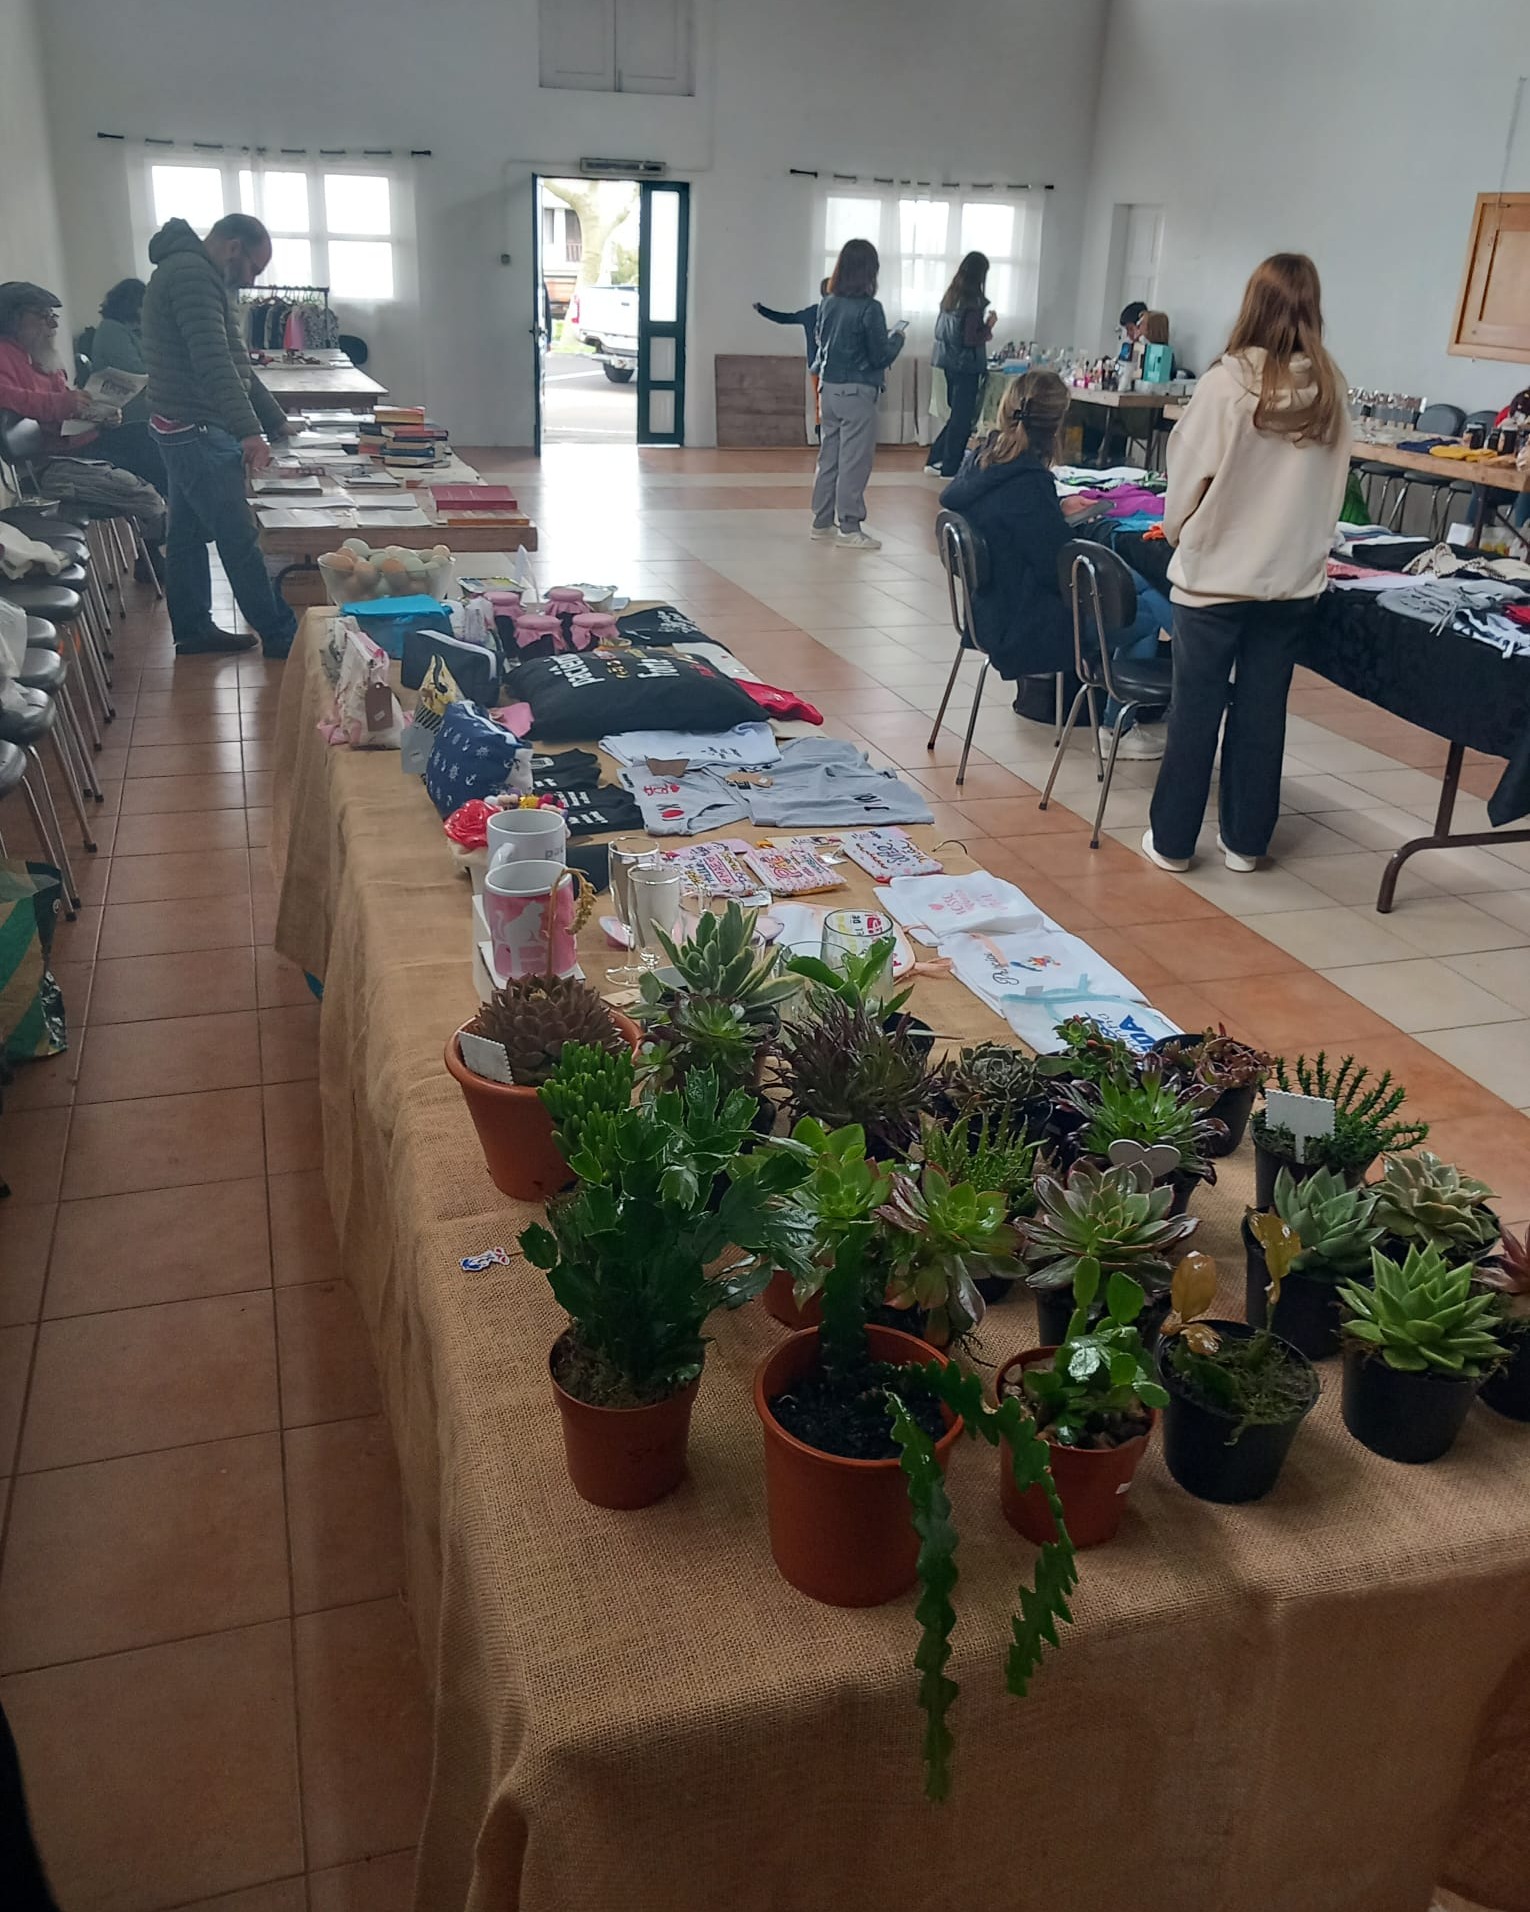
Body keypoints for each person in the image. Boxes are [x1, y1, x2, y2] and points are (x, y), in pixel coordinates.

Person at [1142, 252, 1351, 874]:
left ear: (1252, 304)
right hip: (1290, 581)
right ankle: (1246, 843)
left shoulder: (1226, 383)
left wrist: (1179, 530)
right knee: (1263, 714)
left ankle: (1175, 844)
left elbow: (1186, 478)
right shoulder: (1332, 389)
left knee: (1195, 713)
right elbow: (1335, 489)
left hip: (1215, 580)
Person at [939, 370, 1173, 757]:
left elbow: (1016, 526)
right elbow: (1058, 570)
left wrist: (1058, 510)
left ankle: (1156, 700)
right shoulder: (1028, 483)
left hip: (990, 610)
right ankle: (1123, 724)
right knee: (1140, 607)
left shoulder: (984, 465)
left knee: (1138, 587)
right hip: (1027, 623)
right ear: (1056, 425)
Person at [143, 212, 298, 657]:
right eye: (254, 268)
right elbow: (213, 364)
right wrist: (251, 432)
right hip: (194, 428)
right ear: (234, 247)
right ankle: (281, 635)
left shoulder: (197, 273)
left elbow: (236, 361)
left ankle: (193, 629)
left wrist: (273, 420)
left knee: (188, 535)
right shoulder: (193, 276)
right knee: (239, 536)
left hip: (182, 426)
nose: (251, 280)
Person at [0, 279, 167, 573]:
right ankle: (158, 546)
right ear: (13, 318)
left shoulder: (41, 354)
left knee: (152, 439)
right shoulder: (5, 355)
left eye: (53, 315)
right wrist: (65, 403)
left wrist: (102, 415)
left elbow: (64, 407)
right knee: (146, 492)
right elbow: (11, 396)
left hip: (78, 443)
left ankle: (155, 548)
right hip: (48, 464)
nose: (52, 323)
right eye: (42, 314)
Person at [809, 239, 905, 551]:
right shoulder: (870, 308)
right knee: (854, 461)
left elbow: (820, 340)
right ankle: (849, 527)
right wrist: (898, 339)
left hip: (829, 388)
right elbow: (879, 356)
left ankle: (821, 522)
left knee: (829, 459)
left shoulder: (827, 303)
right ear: (869, 272)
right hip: (858, 391)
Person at [925, 252, 995, 480]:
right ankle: (950, 467)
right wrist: (989, 326)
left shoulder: (951, 297)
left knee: (957, 417)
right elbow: (970, 339)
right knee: (962, 420)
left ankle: (936, 458)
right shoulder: (972, 301)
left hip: (947, 362)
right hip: (966, 365)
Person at [754, 280, 829, 431]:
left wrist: (762, 310)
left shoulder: (812, 312)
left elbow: (786, 318)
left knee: (820, 401)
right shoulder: (840, 313)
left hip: (818, 365)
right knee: (834, 403)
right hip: (834, 366)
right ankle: (828, 432)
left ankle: (822, 432)